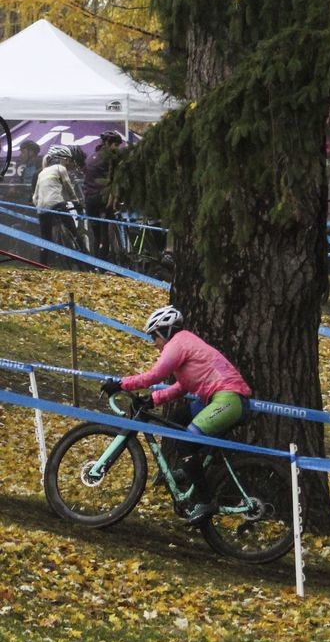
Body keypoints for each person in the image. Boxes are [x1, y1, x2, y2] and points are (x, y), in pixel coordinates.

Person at [99, 306, 252, 523]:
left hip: (229, 400)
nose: (154, 343)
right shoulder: (186, 343)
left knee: (187, 443)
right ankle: (187, 469)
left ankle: (206, 500)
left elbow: (155, 375)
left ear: (165, 332)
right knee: (178, 419)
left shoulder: (178, 343)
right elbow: (182, 387)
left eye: (154, 336)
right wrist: (152, 400)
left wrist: (120, 384)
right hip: (215, 398)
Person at [31, 145, 81, 266]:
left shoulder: (41, 172)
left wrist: (39, 206)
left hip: (42, 209)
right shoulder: (60, 168)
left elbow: (34, 197)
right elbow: (68, 187)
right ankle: (83, 256)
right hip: (57, 204)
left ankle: (42, 265)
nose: (68, 162)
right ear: (61, 159)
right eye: (67, 159)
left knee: (45, 238)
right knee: (73, 230)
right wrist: (76, 201)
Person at [82, 130, 124, 258]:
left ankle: (97, 264)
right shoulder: (111, 158)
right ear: (107, 143)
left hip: (89, 199)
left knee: (96, 234)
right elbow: (116, 179)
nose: (117, 148)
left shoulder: (90, 157)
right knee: (104, 230)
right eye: (115, 145)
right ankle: (105, 265)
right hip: (103, 198)